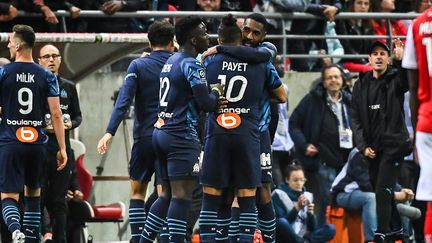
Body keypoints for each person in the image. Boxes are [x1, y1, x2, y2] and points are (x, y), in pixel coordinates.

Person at [199, 14, 287, 243]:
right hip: (241, 132)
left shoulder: (264, 54)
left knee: (263, 193)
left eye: (255, 33)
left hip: (258, 131)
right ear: (240, 30)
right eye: (246, 30)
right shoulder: (254, 60)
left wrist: (220, 48)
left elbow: (282, 96)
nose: (249, 36)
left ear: (264, 36)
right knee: (228, 192)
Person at [139, 16, 223, 243]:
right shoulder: (192, 63)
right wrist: (216, 91)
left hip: (161, 133)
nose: (208, 37)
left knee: (164, 194)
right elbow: (206, 103)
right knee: (182, 197)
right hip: (181, 136)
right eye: (205, 33)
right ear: (194, 39)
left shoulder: (171, 60)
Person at [96, 20, 175, 243]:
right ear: (172, 42)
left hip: (144, 138)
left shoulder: (138, 66)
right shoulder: (179, 63)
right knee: (165, 194)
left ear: (149, 42)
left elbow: (123, 102)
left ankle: (138, 238)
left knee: (138, 193)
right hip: (170, 137)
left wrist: (109, 132)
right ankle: (164, 239)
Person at [0, 24, 67, 243]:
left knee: (8, 196)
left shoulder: (3, 72)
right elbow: (56, 114)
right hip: (38, 144)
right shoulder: (47, 75)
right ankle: (29, 239)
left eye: (10, 40)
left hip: (11, 142)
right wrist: (62, 148)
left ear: (18, 45)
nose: (8, 44)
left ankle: (15, 230)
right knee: (33, 196)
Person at [350, 40, 409, 242]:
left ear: (388, 58)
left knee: (383, 187)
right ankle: (397, 229)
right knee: (381, 189)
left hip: (394, 146)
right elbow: (355, 118)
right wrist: (362, 146)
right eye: (374, 54)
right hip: (371, 149)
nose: (378, 57)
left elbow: (406, 83)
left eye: (382, 53)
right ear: (369, 59)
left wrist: (401, 62)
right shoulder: (360, 84)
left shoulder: (395, 78)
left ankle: (381, 232)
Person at [289, 64, 353, 226]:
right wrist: (304, 145)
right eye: (329, 77)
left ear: (343, 80)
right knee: (327, 198)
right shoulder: (313, 99)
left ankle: (333, 234)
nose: (333, 80)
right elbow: (294, 124)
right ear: (323, 82)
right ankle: (323, 234)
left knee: (341, 199)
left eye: (336, 77)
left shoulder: (349, 100)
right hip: (324, 160)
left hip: (347, 160)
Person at [37, 43, 82, 243]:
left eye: (55, 56)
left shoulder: (69, 87)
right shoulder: (35, 85)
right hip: (39, 148)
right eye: (46, 57)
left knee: (60, 201)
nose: (51, 60)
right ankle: (37, 236)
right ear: (39, 61)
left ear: (60, 60)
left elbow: (78, 116)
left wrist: (69, 124)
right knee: (37, 198)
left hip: (62, 149)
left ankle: (60, 240)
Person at [402, 5, 432, 242]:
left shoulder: (417, 25)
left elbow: (412, 86)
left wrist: (417, 126)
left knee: (430, 193)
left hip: (426, 120)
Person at [272, 164, 336, 242]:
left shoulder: (307, 195)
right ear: (287, 180)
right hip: (286, 237)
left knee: (330, 228)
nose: (299, 183)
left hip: (303, 236)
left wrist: (311, 214)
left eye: (302, 180)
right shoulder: (278, 194)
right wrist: (296, 209)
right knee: (282, 222)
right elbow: (280, 225)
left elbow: (312, 228)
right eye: (295, 180)